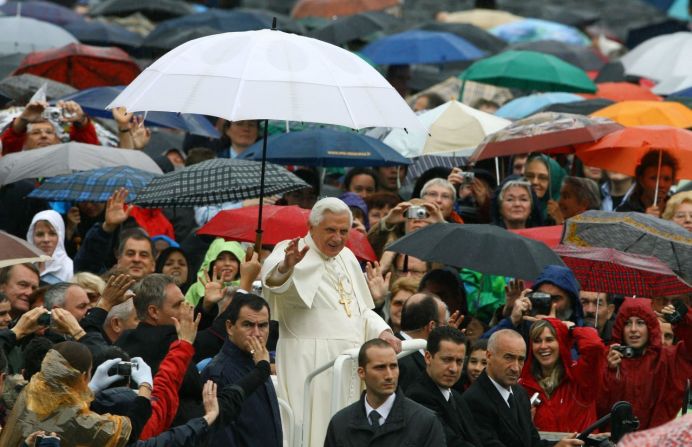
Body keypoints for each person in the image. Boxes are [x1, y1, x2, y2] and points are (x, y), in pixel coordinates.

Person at [260, 197, 399, 446]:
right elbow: (273, 278)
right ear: (312, 227)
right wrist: (287, 266)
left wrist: (384, 332)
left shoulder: (346, 257)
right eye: (330, 230)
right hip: (310, 363)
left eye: (344, 231)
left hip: (349, 364)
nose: (337, 237)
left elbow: (361, 311)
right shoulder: (292, 249)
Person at [0, 341, 152, 446]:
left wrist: (91, 389)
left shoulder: (31, 389)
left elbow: (60, 405)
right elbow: (126, 432)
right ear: (84, 376)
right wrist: (146, 386)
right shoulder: (77, 421)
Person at [461, 329, 585, 447]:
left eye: (520, 359)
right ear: (489, 356)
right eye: (508, 358)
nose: (515, 367)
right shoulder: (473, 401)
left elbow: (532, 443)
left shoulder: (519, 393)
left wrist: (560, 444)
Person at [116, 274, 203, 426]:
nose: (186, 310)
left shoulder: (123, 340)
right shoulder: (170, 341)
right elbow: (194, 387)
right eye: (177, 305)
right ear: (154, 312)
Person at [324, 339, 445, 447]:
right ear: (361, 372)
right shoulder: (340, 423)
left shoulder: (425, 422)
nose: (389, 376)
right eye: (380, 367)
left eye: (393, 366)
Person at [201, 293, 282, 447]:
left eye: (263, 325)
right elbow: (220, 439)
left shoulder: (260, 362)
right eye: (248, 325)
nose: (257, 333)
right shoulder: (217, 373)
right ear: (230, 327)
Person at [598, 298, 691, 429]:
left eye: (640, 323)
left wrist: (684, 320)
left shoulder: (665, 359)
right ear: (620, 327)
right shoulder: (607, 357)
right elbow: (598, 407)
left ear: (650, 327)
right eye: (627, 323)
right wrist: (610, 372)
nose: (633, 329)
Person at [519, 319, 605, 432]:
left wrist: (572, 329)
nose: (543, 346)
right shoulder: (523, 385)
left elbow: (595, 346)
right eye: (537, 341)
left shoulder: (580, 378)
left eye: (549, 340)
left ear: (561, 342)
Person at [407, 326, 483, 447]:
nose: (453, 368)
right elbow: (448, 442)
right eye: (447, 360)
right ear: (428, 358)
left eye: (459, 361)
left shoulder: (457, 397)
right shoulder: (417, 397)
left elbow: (477, 437)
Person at [0, 100, 98, 155]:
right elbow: (9, 145)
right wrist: (23, 120)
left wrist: (81, 121)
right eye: (36, 132)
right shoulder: (15, 168)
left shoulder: (68, 164)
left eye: (49, 132)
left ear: (57, 139)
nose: (43, 135)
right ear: (24, 142)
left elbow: (89, 150)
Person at [396, 293, 447, 392]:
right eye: (443, 324)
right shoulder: (405, 363)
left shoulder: (391, 347)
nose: (445, 329)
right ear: (431, 326)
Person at [616, 150, 678, 217]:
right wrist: (644, 220)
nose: (661, 185)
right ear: (641, 180)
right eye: (654, 178)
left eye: (667, 179)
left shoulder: (678, 208)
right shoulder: (626, 211)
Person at [184, 238, 245, 306]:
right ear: (211, 263)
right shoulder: (196, 289)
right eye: (220, 259)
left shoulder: (248, 287)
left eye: (233, 259)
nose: (227, 263)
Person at [26, 210, 73, 284]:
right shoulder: (25, 265)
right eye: (40, 234)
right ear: (32, 237)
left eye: (52, 234)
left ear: (60, 236)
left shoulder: (69, 269)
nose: (46, 239)